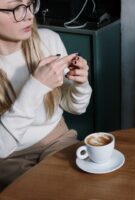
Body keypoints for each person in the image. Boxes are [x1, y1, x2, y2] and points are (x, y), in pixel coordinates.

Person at [0, 0, 92, 190]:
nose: (28, 15)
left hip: (58, 138)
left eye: (29, 4)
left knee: (85, 186)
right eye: (16, 7)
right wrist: (36, 86)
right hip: (9, 157)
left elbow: (77, 108)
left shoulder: (48, 40)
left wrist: (80, 84)